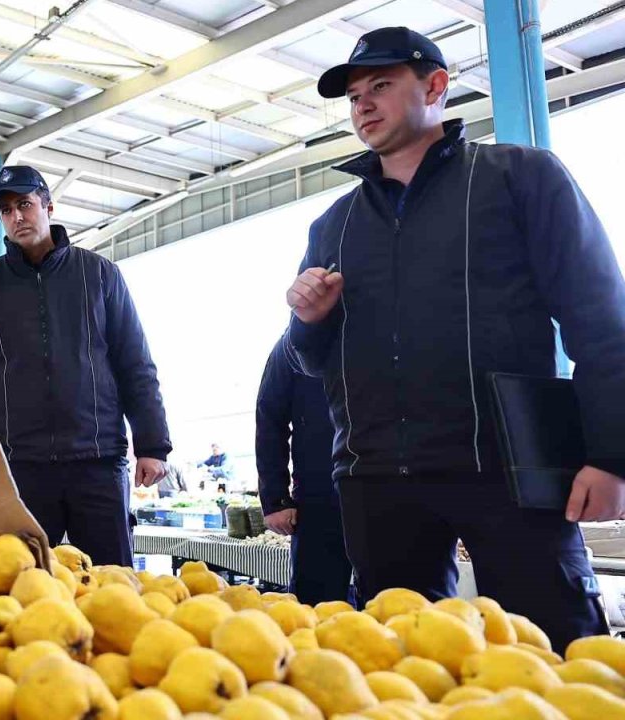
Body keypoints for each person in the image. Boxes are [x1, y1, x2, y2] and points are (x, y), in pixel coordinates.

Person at [285, 26, 625, 650]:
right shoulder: (334, 224)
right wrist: (307, 320)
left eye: (381, 86)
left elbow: (601, 319)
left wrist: (610, 455)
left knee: (557, 649)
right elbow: (309, 362)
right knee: (402, 662)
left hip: (507, 470)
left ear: (437, 86)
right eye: (354, 94)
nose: (362, 104)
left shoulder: (520, 179)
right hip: (377, 480)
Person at [0, 165, 172, 566]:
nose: (17, 217)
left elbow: (135, 363)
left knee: (109, 583)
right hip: (18, 469)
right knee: (18, 584)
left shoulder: (100, 275)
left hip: (97, 463)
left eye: (25, 204)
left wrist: (152, 445)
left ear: (48, 206)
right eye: (6, 210)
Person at [256, 335, 352, 604]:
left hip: (388, 488)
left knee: (396, 605)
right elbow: (269, 419)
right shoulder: (294, 342)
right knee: (315, 603)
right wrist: (276, 498)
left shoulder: (384, 325)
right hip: (319, 494)